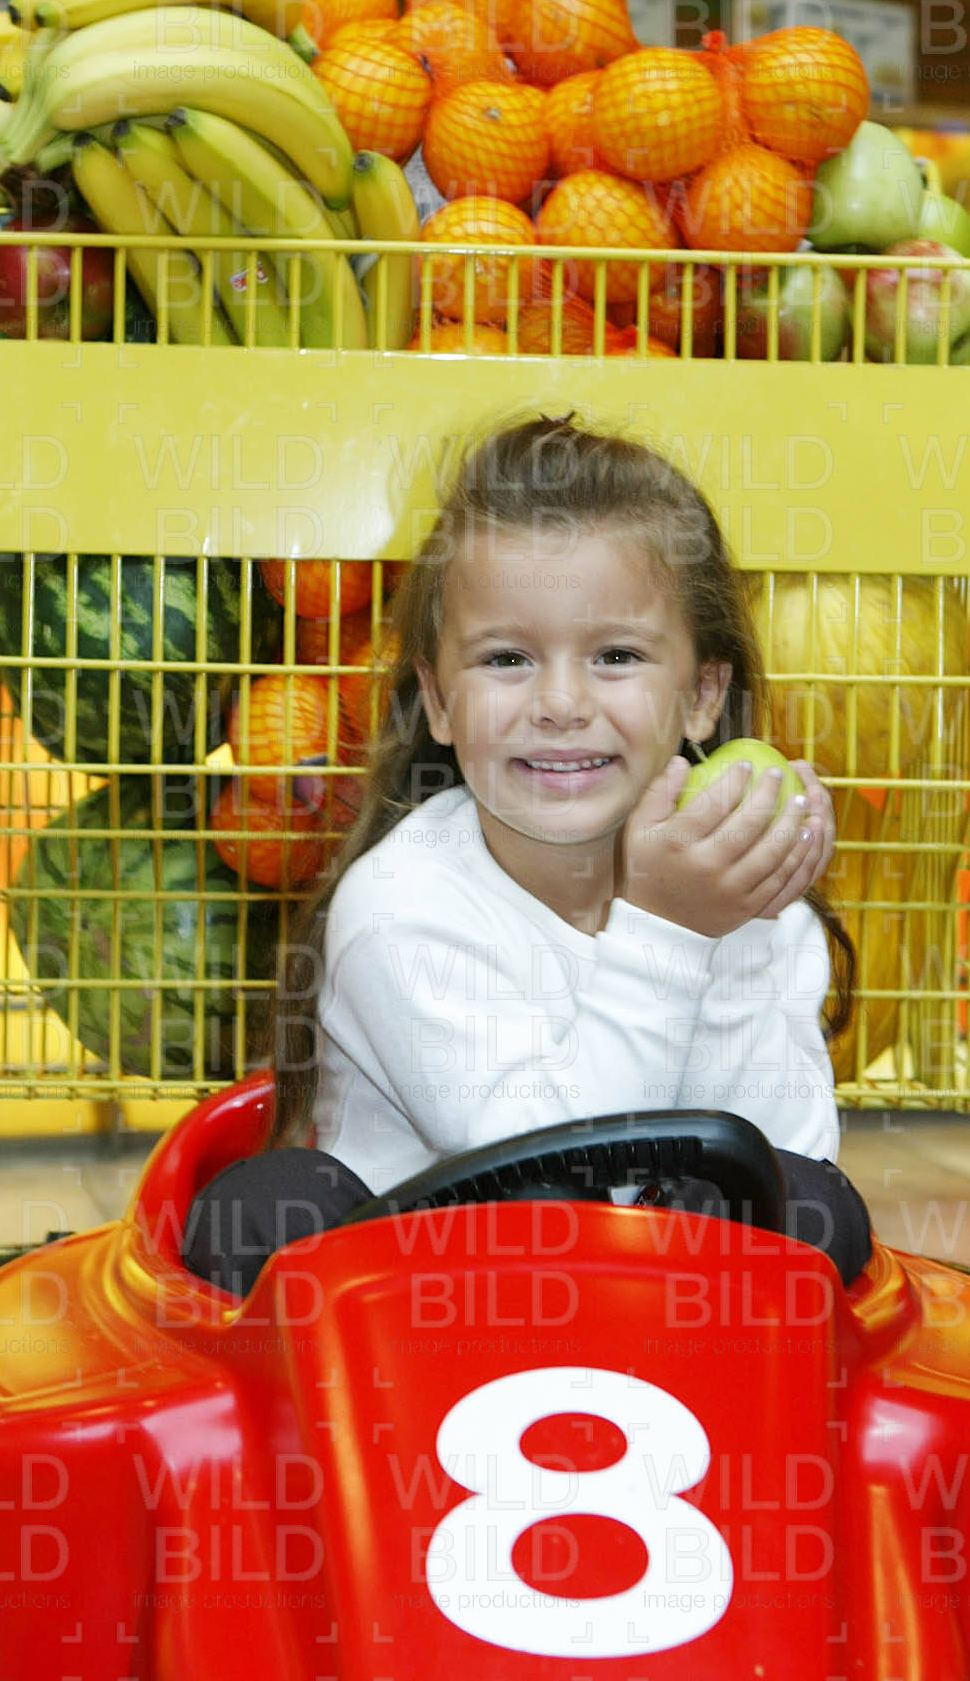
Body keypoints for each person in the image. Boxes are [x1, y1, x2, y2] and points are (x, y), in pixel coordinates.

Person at [183, 416, 873, 1292]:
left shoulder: (739, 898)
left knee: (813, 1205)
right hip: (425, 1304)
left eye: (615, 655)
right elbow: (544, 1170)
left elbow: (776, 1171)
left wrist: (735, 931)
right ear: (438, 700)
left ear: (701, 695)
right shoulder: (400, 907)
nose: (559, 703)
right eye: (507, 658)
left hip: (660, 1316)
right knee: (270, 1205)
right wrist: (670, 936)